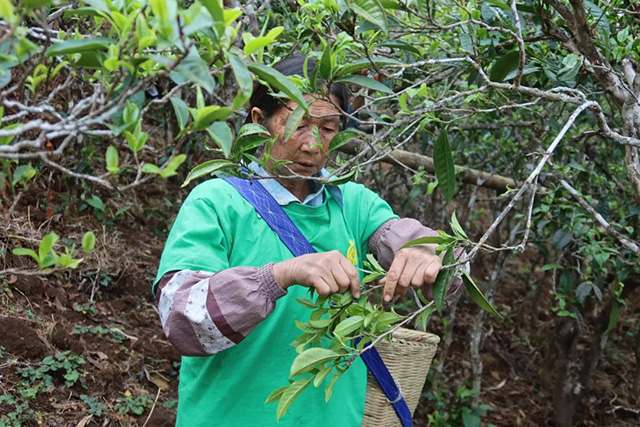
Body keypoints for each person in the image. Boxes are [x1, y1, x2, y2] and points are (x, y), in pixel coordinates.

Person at [153, 55, 451, 427]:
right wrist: (278, 275)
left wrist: (433, 250)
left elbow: (419, 247)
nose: (312, 144)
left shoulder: (351, 204)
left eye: (327, 128)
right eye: (297, 124)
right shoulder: (216, 201)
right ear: (259, 123)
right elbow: (181, 317)